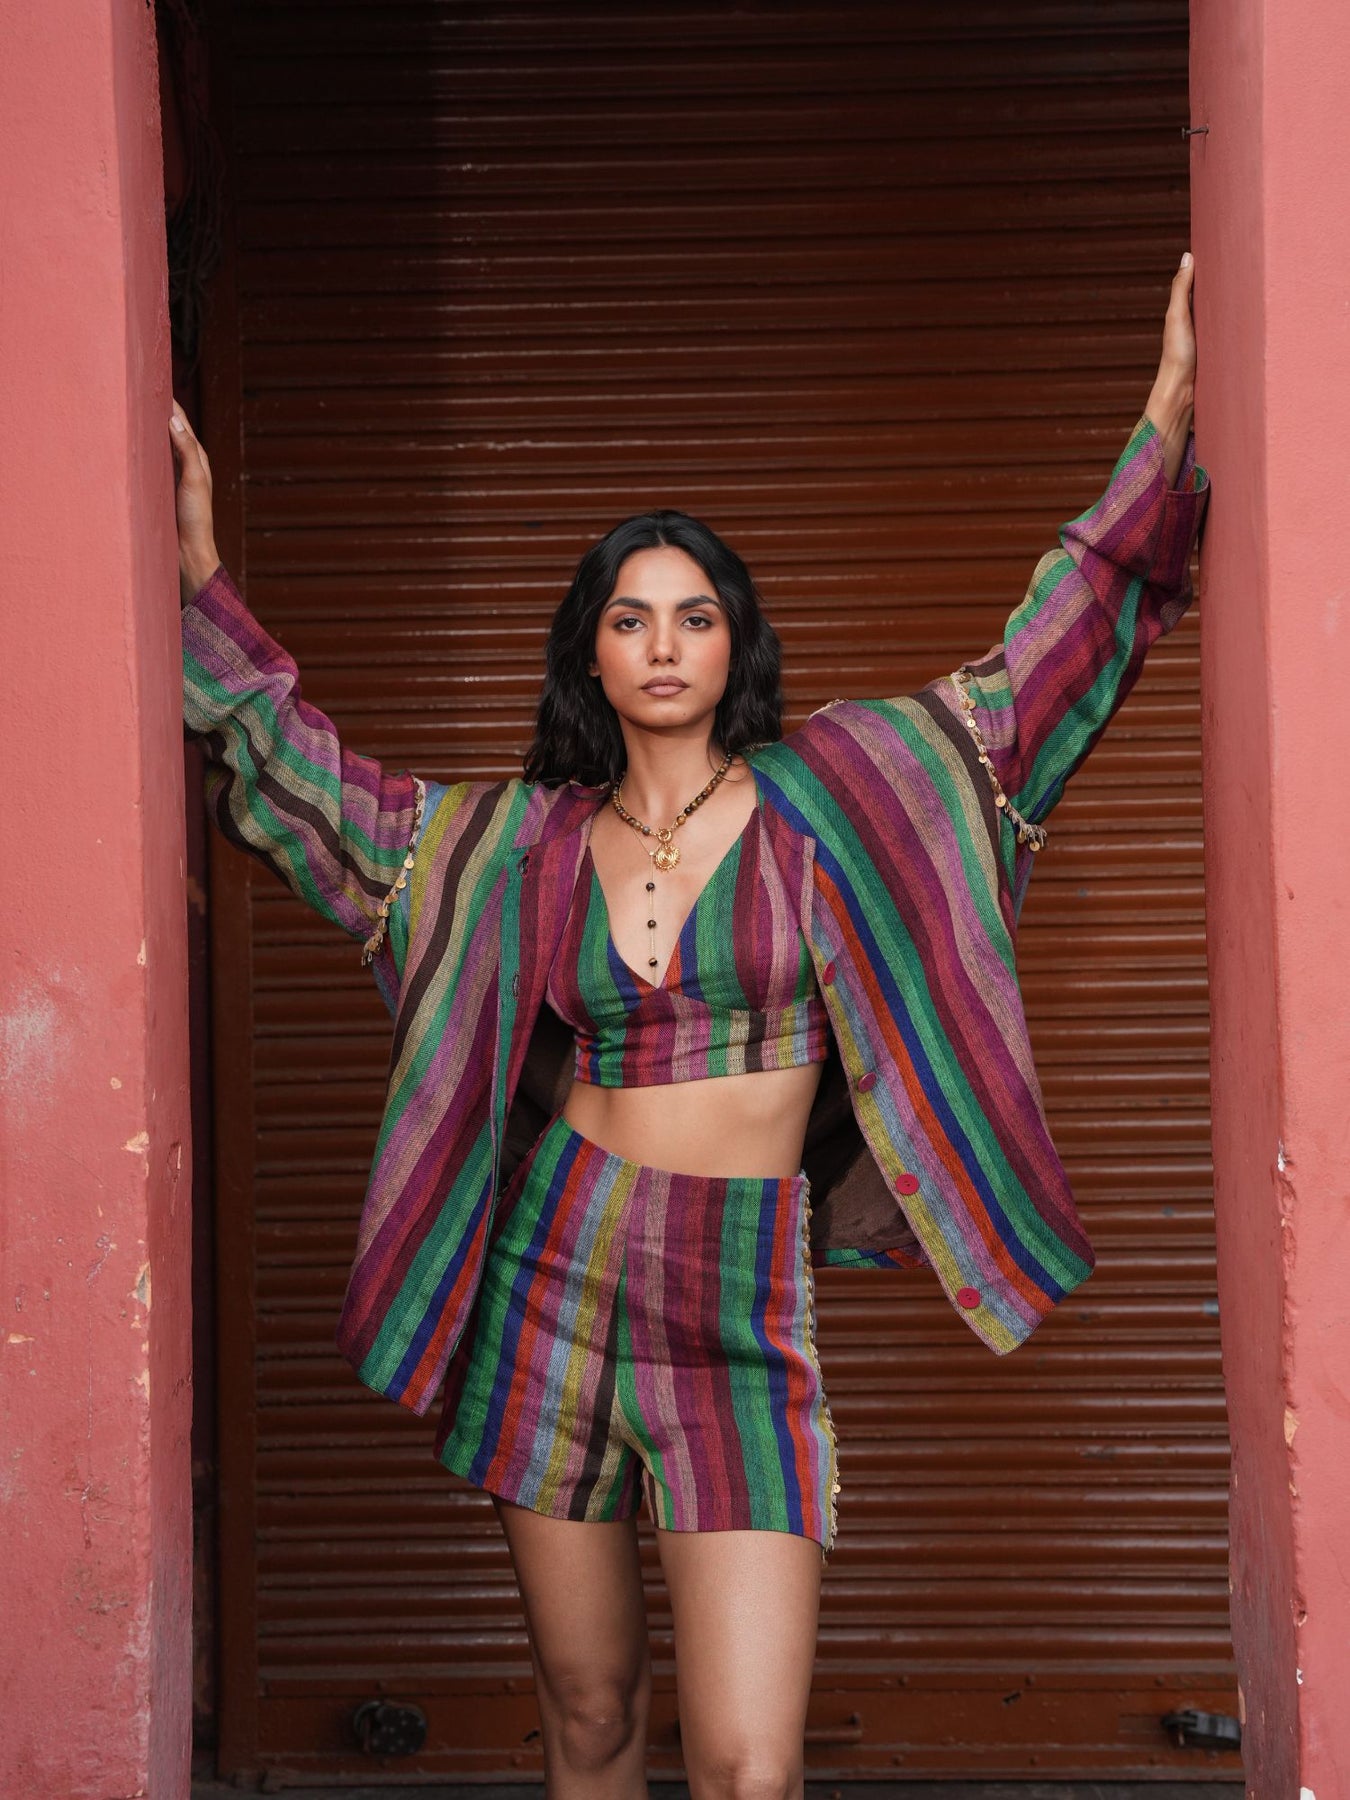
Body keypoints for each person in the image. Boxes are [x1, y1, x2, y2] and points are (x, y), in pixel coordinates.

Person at [170, 253, 1209, 1800]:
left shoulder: (842, 792)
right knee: (591, 1726)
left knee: (744, 1764)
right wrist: (198, 580)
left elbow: (1037, 678)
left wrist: (1165, 414)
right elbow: (319, 802)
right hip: (550, 1272)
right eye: (629, 617)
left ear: (735, 647)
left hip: (739, 1294)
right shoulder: (517, 844)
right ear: (589, 650)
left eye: (696, 616)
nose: (663, 643)